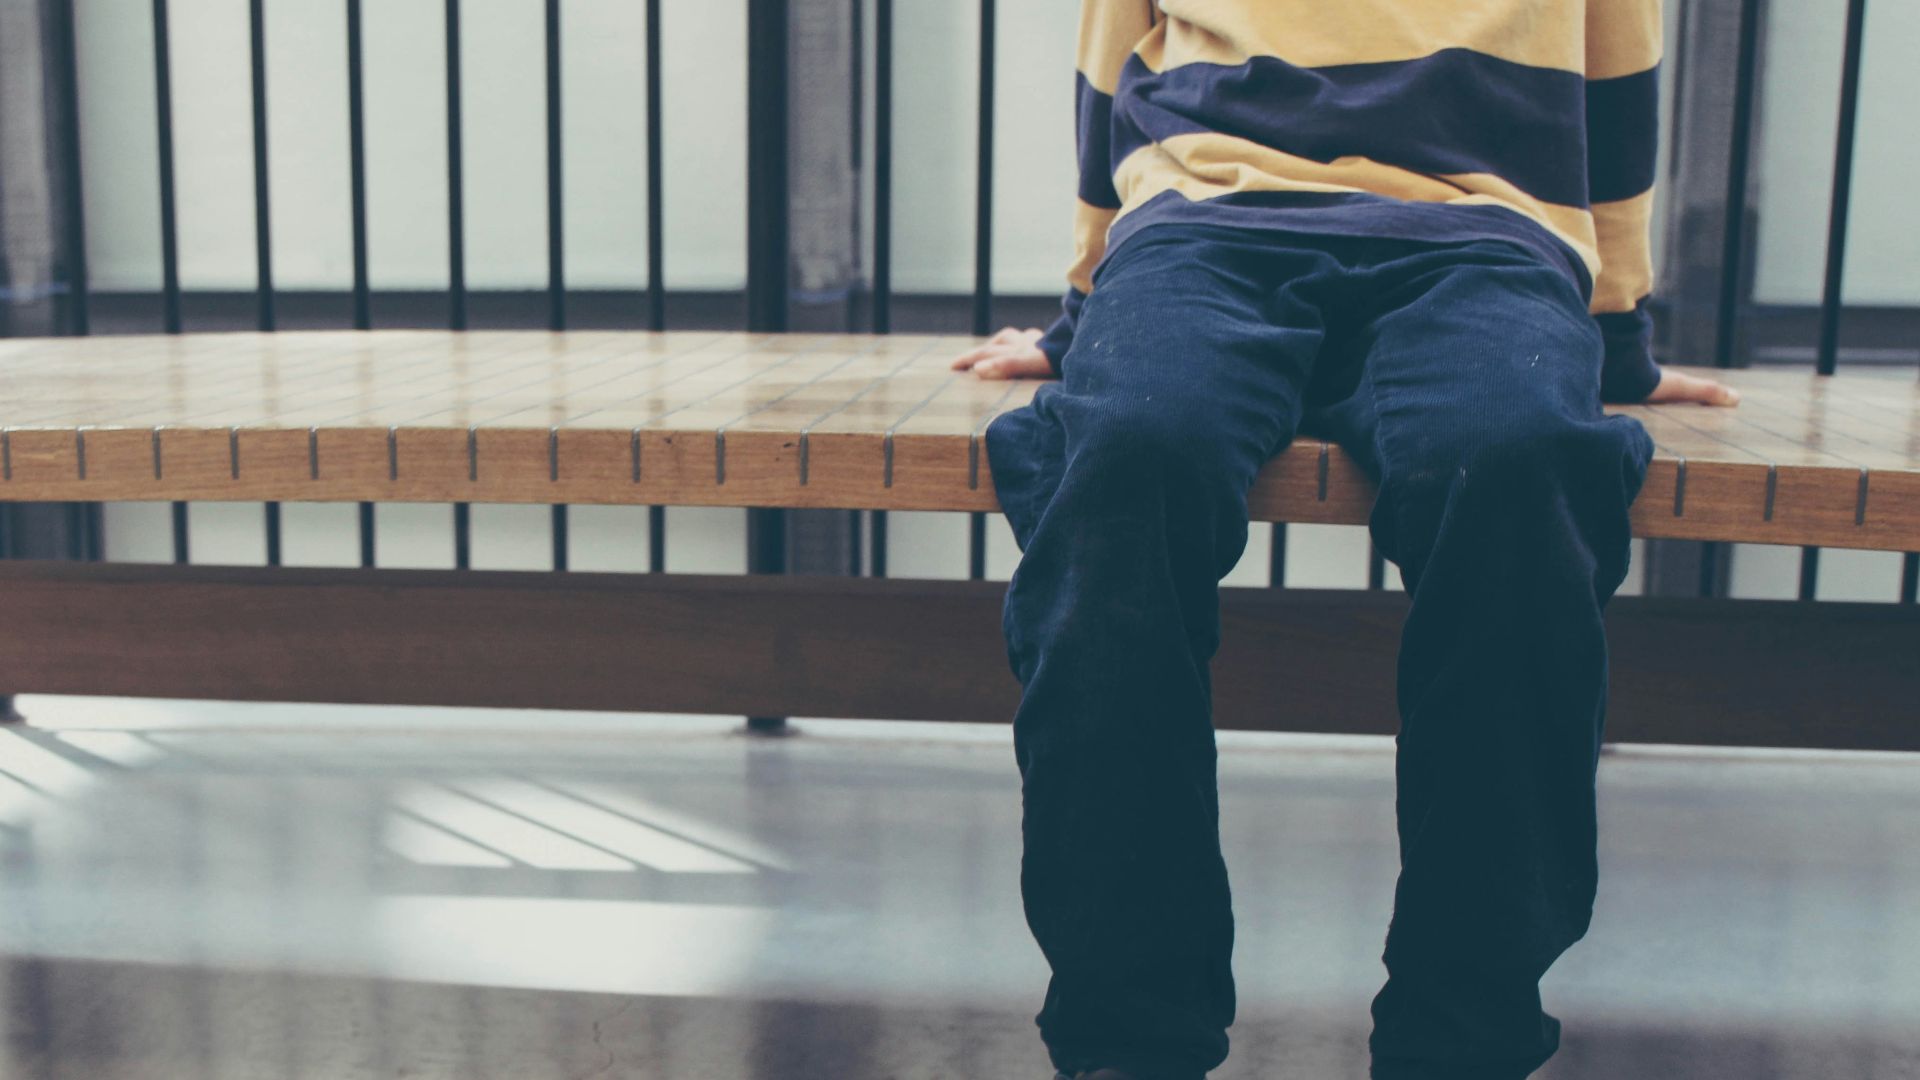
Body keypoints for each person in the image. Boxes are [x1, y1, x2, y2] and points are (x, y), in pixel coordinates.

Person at [951, 3, 1738, 1078]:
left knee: (1520, 466)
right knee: (1123, 462)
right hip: (1205, 222)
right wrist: (1082, 319)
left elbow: (1617, 81)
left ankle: (1462, 1039)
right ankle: (1130, 1040)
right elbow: (1109, 72)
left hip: (1486, 238)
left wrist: (1614, 338)